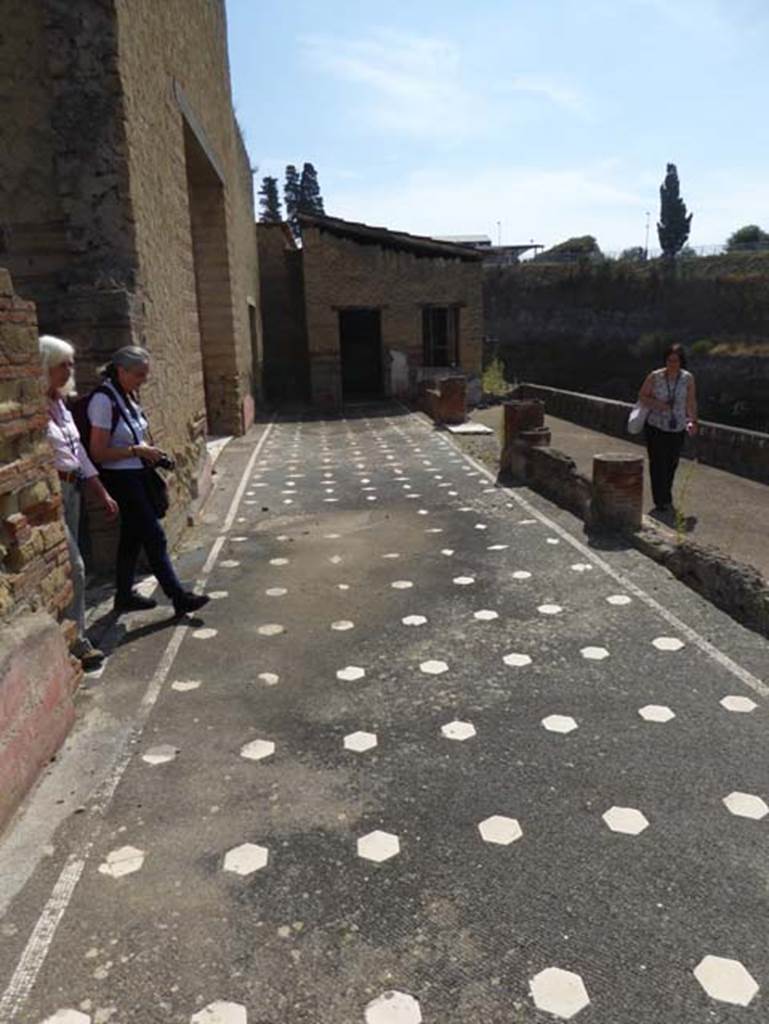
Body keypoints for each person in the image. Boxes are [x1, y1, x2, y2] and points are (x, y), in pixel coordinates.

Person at [87, 345, 209, 617]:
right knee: (154, 536)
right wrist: (137, 451)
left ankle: (124, 595)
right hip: (121, 478)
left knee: (132, 537)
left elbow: (134, 434)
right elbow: (98, 452)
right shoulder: (103, 401)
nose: (144, 380)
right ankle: (179, 597)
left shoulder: (127, 395)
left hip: (138, 474)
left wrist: (152, 455)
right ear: (121, 371)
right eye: (139, 374)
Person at [40, 335, 119, 669]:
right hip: (50, 494)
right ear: (45, 366)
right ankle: (79, 641)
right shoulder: (34, 408)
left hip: (72, 490)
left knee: (70, 565)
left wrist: (100, 491)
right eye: (63, 364)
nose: (70, 370)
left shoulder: (60, 403)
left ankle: (71, 634)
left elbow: (79, 452)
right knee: (76, 566)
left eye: (71, 363)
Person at [638, 343, 698, 513]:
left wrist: (693, 421)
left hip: (677, 427)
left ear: (681, 362)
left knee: (672, 463)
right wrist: (658, 404)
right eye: (669, 360)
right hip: (656, 426)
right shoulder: (655, 376)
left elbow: (691, 401)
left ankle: (666, 495)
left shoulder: (687, 378)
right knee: (658, 463)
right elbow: (642, 396)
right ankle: (661, 501)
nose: (672, 363)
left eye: (676, 360)